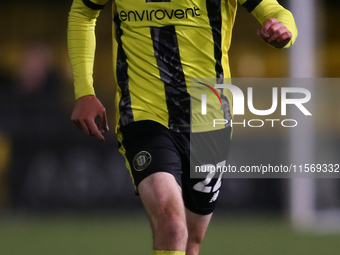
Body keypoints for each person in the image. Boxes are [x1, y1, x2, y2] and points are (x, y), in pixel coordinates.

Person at [68, 0, 297, 254]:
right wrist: (84, 92)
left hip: (209, 118)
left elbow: (276, 11)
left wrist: (283, 29)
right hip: (144, 113)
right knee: (173, 226)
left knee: (191, 241)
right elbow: (83, 10)